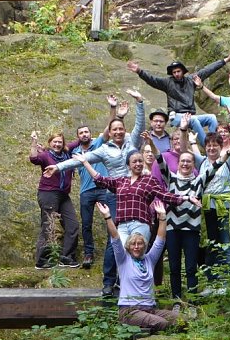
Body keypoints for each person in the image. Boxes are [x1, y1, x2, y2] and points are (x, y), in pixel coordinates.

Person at [46, 89, 146, 296]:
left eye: (121, 128)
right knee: (115, 239)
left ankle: (127, 280)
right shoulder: (103, 150)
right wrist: (58, 167)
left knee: (135, 239)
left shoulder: (132, 144)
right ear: (109, 133)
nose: (118, 132)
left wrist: (140, 102)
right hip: (114, 195)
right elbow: (80, 160)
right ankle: (109, 282)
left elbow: (140, 125)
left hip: (134, 197)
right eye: (114, 129)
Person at [73, 150, 197, 246]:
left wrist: (187, 198)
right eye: (134, 162)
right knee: (122, 259)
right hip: (122, 225)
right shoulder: (121, 181)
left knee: (137, 258)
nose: (138, 164)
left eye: (140, 161)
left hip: (140, 224)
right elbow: (100, 180)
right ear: (128, 165)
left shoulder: (150, 181)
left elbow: (166, 196)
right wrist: (85, 162)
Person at [97, 199, 178, 333]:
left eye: (140, 243)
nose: (136, 246)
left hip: (150, 309)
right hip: (130, 311)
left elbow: (160, 241)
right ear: (128, 246)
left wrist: (163, 218)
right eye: (133, 244)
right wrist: (108, 217)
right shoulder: (123, 260)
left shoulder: (149, 260)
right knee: (162, 323)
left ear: (144, 246)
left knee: (180, 319)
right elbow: (116, 238)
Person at [126, 50, 230, 145]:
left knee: (212, 118)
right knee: (193, 119)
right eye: (174, 72)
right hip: (176, 116)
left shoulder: (191, 80)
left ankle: (216, 141)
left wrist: (226, 60)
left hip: (191, 116)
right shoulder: (167, 82)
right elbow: (152, 79)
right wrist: (139, 71)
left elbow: (208, 70)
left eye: (178, 71)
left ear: (183, 71)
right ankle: (208, 144)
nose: (176, 74)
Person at [69, 96, 123, 269]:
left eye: (87, 132)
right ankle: (88, 253)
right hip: (86, 192)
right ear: (78, 137)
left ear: (90, 134)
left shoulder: (99, 145)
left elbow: (109, 129)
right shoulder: (75, 152)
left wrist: (112, 108)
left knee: (111, 220)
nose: (84, 134)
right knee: (86, 224)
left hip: (103, 189)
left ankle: (113, 248)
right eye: (81, 133)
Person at [157, 150, 217, 300]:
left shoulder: (199, 181)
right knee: (174, 267)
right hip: (172, 229)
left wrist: (228, 154)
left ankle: (192, 301)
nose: (185, 164)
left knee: (191, 268)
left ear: (193, 164)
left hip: (191, 230)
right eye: (182, 161)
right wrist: (151, 143)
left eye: (188, 161)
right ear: (177, 164)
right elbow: (160, 160)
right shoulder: (171, 178)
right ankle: (177, 300)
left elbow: (215, 167)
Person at [29, 131, 80, 269]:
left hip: (64, 195)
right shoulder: (45, 155)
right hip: (48, 193)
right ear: (50, 143)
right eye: (54, 142)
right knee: (48, 225)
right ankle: (42, 261)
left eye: (60, 142)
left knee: (72, 224)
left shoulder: (67, 153)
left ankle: (67, 257)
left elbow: (80, 140)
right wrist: (34, 142)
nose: (57, 144)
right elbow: (33, 159)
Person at [198, 131, 230, 290]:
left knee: (228, 244)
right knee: (211, 246)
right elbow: (184, 149)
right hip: (208, 209)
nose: (211, 148)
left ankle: (228, 283)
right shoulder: (201, 162)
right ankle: (211, 282)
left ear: (220, 146)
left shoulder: (228, 162)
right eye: (208, 145)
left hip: (226, 208)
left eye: (215, 145)